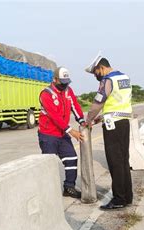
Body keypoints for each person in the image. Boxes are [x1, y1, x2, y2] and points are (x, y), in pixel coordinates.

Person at [85, 54, 132, 210]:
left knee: (115, 162)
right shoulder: (125, 77)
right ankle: (127, 196)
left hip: (113, 127)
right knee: (124, 160)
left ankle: (119, 199)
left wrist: (89, 119)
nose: (95, 76)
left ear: (101, 68)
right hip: (124, 122)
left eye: (95, 73)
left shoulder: (107, 80)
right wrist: (101, 118)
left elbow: (98, 102)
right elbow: (117, 104)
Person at [38, 66, 86, 198]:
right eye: (62, 83)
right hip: (48, 135)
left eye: (67, 82)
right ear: (54, 79)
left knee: (71, 158)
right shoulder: (46, 94)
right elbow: (54, 116)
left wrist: (82, 120)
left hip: (62, 134)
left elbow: (74, 106)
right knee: (50, 164)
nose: (65, 86)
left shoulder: (68, 91)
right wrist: (71, 131)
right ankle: (48, 192)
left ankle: (69, 187)